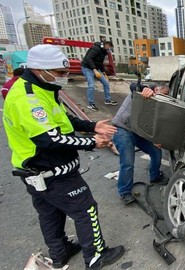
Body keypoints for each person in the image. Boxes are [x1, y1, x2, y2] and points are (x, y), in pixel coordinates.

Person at [2, 44, 124, 270]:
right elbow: (51, 139)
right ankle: (96, 255)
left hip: (36, 172)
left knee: (50, 213)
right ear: (40, 69)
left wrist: (92, 125)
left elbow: (64, 120)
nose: (64, 77)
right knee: (86, 208)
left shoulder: (42, 88)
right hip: (51, 171)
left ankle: (60, 252)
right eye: (60, 73)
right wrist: (92, 142)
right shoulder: (28, 98)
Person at [112, 82, 169, 204]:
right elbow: (134, 86)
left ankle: (155, 176)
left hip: (138, 132)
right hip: (123, 129)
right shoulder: (142, 92)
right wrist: (145, 89)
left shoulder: (158, 105)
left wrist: (156, 139)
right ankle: (125, 192)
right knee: (128, 162)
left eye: (166, 96)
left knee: (156, 151)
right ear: (154, 89)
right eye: (162, 94)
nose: (163, 98)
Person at [81, 41, 117, 111]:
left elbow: (100, 63)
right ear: (106, 45)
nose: (109, 49)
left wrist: (103, 72)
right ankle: (91, 104)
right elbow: (89, 58)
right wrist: (94, 69)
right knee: (91, 85)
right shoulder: (96, 48)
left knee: (106, 83)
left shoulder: (104, 52)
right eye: (109, 47)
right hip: (87, 68)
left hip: (96, 69)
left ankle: (108, 100)